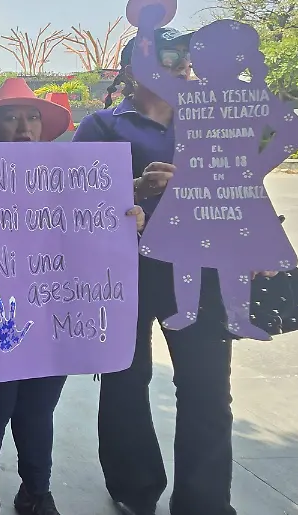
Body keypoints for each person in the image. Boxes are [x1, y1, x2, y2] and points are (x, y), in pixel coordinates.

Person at [0, 78, 146, 515]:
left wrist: (128, 222)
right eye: (11, 118)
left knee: (40, 405)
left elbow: (97, 237)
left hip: (56, 307)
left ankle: (36, 489)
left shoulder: (77, 177)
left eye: (32, 117)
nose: (23, 127)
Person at [73, 29, 235, 515]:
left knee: (207, 386)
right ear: (132, 70)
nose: (179, 68)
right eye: (165, 59)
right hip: (123, 271)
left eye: (183, 61)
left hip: (203, 271)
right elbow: (73, 203)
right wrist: (135, 190)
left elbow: (241, 191)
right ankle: (133, 486)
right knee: (125, 378)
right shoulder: (102, 127)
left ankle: (204, 502)